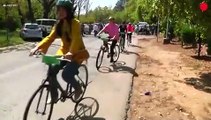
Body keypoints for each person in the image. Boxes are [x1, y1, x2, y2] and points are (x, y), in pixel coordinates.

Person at [29, 0, 90, 102]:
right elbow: (50, 38)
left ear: (69, 11)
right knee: (51, 70)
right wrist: (37, 47)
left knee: (66, 74)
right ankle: (54, 96)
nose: (60, 12)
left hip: (76, 54)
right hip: (63, 53)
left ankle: (78, 88)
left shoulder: (75, 23)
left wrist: (71, 52)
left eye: (63, 10)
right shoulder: (58, 24)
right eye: (58, 9)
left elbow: (76, 39)